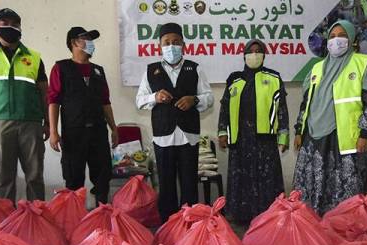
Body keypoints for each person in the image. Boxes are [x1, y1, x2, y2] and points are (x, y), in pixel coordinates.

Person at [293, 20, 367, 216]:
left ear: (351, 39)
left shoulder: (363, 64)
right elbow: (307, 102)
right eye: (332, 36)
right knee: (312, 184)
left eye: (341, 35)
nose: (336, 40)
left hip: (345, 139)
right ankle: (315, 226)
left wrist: (365, 133)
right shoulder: (317, 68)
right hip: (313, 136)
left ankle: (342, 231)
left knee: (343, 189)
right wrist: (299, 131)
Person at [136, 22, 214, 222]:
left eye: (176, 42)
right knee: (166, 185)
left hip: (188, 136)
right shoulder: (150, 70)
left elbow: (209, 97)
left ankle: (191, 226)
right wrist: (154, 97)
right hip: (163, 137)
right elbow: (139, 100)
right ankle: (168, 227)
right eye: (167, 42)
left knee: (189, 185)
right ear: (160, 46)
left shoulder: (195, 69)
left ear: (184, 45)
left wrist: (194, 99)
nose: (172, 46)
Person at [0, 8, 49, 202]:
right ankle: (4, 225)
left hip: (31, 123)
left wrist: (48, 123)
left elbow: (45, 93)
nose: (9, 27)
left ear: (20, 27)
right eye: (4, 23)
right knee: (3, 178)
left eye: (14, 24)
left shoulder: (34, 57)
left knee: (35, 176)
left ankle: (37, 222)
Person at [217, 39, 289, 223]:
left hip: (265, 139)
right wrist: (222, 132)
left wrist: (283, 136)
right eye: (251, 50)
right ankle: (242, 217)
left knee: (266, 180)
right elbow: (225, 107)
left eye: (259, 51)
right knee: (241, 179)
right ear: (244, 54)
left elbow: (282, 109)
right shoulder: (234, 79)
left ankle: (268, 217)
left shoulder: (274, 78)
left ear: (264, 55)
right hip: (239, 139)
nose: (254, 54)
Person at [47, 27, 118, 205]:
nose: (90, 42)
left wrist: (114, 129)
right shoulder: (61, 68)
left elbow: (105, 102)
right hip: (73, 132)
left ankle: (102, 216)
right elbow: (53, 101)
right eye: (85, 38)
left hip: (98, 132)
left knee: (102, 177)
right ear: (73, 43)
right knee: (73, 179)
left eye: (91, 39)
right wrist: (53, 131)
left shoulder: (98, 71)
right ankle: (75, 220)